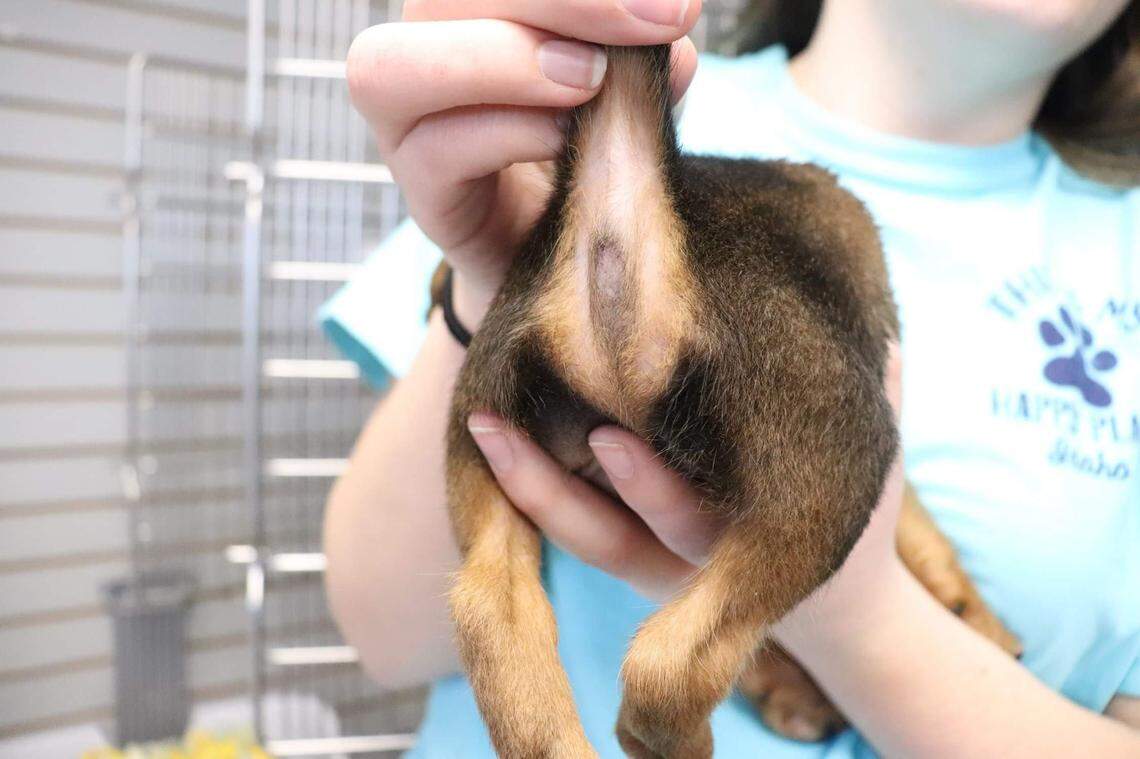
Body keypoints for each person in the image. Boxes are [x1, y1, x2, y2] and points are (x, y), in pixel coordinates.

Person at [320, 1, 1140, 755]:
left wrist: (857, 621)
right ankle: (679, 658)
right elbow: (383, 634)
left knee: (497, 577)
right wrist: (480, 282)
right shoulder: (514, 137)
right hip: (622, 309)